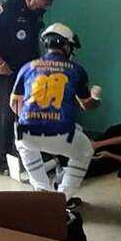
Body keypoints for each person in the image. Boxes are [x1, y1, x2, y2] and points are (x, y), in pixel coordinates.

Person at [10, 23, 101, 205]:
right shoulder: (75, 69)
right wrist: (96, 98)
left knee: (23, 142)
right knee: (85, 150)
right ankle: (63, 197)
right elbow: (87, 105)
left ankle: (42, 188)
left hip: (27, 132)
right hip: (61, 133)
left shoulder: (27, 67)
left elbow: (14, 103)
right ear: (66, 46)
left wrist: (34, 119)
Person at [0, 0, 57, 172]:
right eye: (43, 3)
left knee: (28, 113)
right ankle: (5, 161)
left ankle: (27, 157)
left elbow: (33, 41)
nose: (44, 8)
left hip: (27, 71)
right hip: (5, 72)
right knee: (5, 116)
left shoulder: (36, 12)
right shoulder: (7, 8)